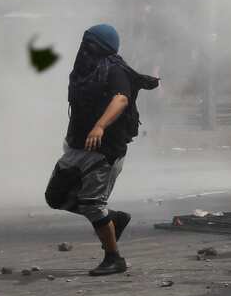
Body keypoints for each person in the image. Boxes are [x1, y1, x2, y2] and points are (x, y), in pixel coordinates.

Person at [47, 24, 157, 276]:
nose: (84, 49)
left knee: (92, 204)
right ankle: (113, 219)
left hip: (105, 148)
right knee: (56, 196)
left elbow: (121, 99)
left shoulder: (115, 70)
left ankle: (114, 258)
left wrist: (99, 126)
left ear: (99, 47)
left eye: (90, 44)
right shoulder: (84, 72)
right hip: (78, 145)